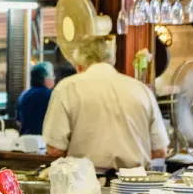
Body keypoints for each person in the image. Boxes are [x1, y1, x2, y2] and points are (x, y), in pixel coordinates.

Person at [42, 36, 169, 170]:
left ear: (79, 66)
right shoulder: (141, 90)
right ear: (111, 60)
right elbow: (160, 150)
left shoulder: (67, 88)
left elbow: (54, 149)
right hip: (134, 185)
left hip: (84, 183)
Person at [16, 62, 55, 135]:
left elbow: (19, 122)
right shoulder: (51, 95)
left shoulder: (24, 95)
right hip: (43, 141)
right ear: (45, 79)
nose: (54, 79)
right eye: (52, 76)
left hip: (25, 140)